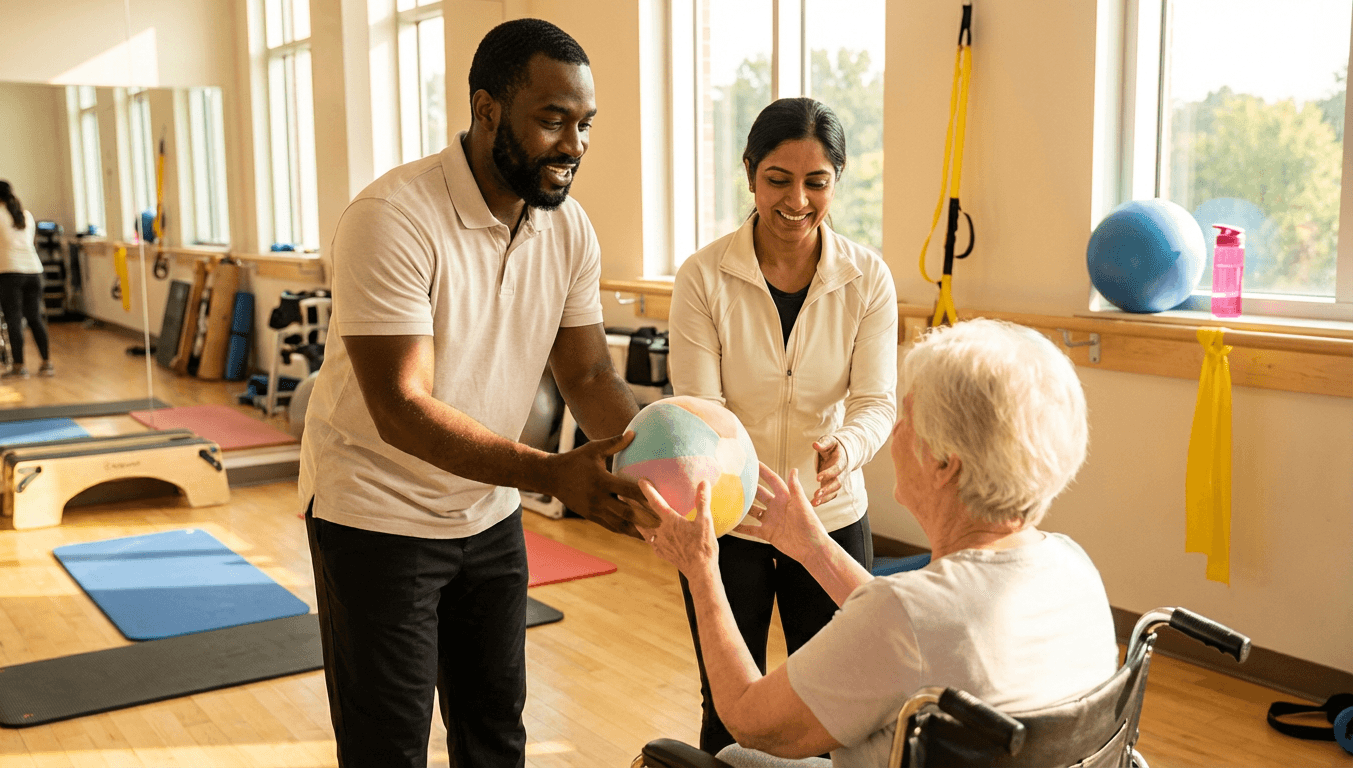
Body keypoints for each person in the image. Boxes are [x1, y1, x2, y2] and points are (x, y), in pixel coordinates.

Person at [299, 18, 656, 768]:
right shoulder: (391, 218)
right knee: (388, 748)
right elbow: (401, 406)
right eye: (553, 119)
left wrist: (660, 468)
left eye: (585, 123)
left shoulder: (569, 230)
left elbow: (588, 374)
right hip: (377, 514)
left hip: (487, 512)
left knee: (496, 735)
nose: (574, 144)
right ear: (487, 109)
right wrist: (550, 474)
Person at [639, 319, 1118, 767]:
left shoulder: (902, 618)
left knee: (731, 759)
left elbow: (748, 720)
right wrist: (812, 546)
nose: (894, 432)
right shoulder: (1075, 568)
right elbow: (919, 635)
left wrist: (701, 568)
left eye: (907, 418)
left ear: (944, 463)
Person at [667, 96, 898, 755]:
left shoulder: (867, 278)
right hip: (728, 522)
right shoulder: (703, 277)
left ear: (836, 182)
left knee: (831, 709)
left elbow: (877, 400)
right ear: (749, 174)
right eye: (779, 179)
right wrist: (743, 487)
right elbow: (700, 412)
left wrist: (844, 451)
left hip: (829, 516)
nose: (797, 200)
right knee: (729, 704)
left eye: (816, 181)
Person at [0, 181, 51, 378]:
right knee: (35, 318)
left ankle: (19, 367)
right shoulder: (25, 215)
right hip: (34, 271)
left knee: (14, 321)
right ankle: (46, 364)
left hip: (10, 273)